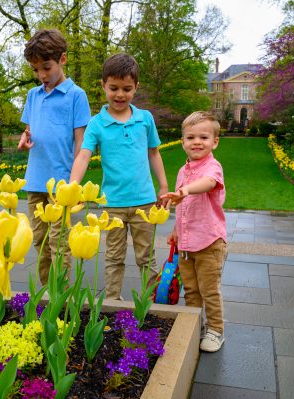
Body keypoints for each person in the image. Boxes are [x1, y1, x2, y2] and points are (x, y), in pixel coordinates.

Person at [69, 53, 169, 300]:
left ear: (136, 87)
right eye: (113, 88)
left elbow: (154, 153)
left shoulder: (145, 119)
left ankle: (150, 303)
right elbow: (83, 156)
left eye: (127, 88)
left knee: (147, 257)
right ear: (103, 85)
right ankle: (112, 302)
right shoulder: (97, 123)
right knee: (114, 257)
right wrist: (72, 188)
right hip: (111, 204)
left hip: (144, 203)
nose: (120, 94)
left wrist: (164, 186)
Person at [18, 29, 91, 285]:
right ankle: (48, 295)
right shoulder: (33, 95)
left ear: (63, 59)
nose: (41, 75)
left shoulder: (76, 96)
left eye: (46, 67)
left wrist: (73, 183)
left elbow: (82, 142)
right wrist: (24, 137)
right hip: (35, 181)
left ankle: (62, 297)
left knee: (59, 243)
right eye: (36, 70)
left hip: (61, 184)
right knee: (39, 242)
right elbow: (29, 128)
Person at [162, 111, 227, 352]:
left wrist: (186, 190)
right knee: (191, 288)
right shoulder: (183, 170)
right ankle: (193, 324)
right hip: (187, 244)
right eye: (190, 137)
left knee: (209, 290)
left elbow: (209, 184)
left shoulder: (213, 167)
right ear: (183, 142)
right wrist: (177, 229)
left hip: (210, 242)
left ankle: (216, 331)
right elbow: (184, 207)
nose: (197, 142)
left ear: (215, 142)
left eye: (203, 137)